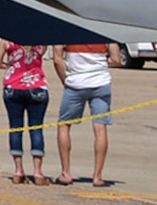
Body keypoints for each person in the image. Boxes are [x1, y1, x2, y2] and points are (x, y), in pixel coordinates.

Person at [52, 40, 123, 186]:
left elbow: (57, 60)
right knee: (100, 127)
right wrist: (99, 63)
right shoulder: (102, 33)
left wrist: (65, 80)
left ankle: (66, 172)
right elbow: (116, 59)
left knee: (64, 125)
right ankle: (97, 176)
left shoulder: (65, 32)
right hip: (100, 82)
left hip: (75, 82)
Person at [0, 40, 50, 185]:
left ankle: (18, 170)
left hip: (13, 85)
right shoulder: (40, 41)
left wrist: (10, 66)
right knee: (36, 128)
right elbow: (41, 55)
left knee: (16, 128)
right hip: (36, 85)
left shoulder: (7, 41)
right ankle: (37, 172)